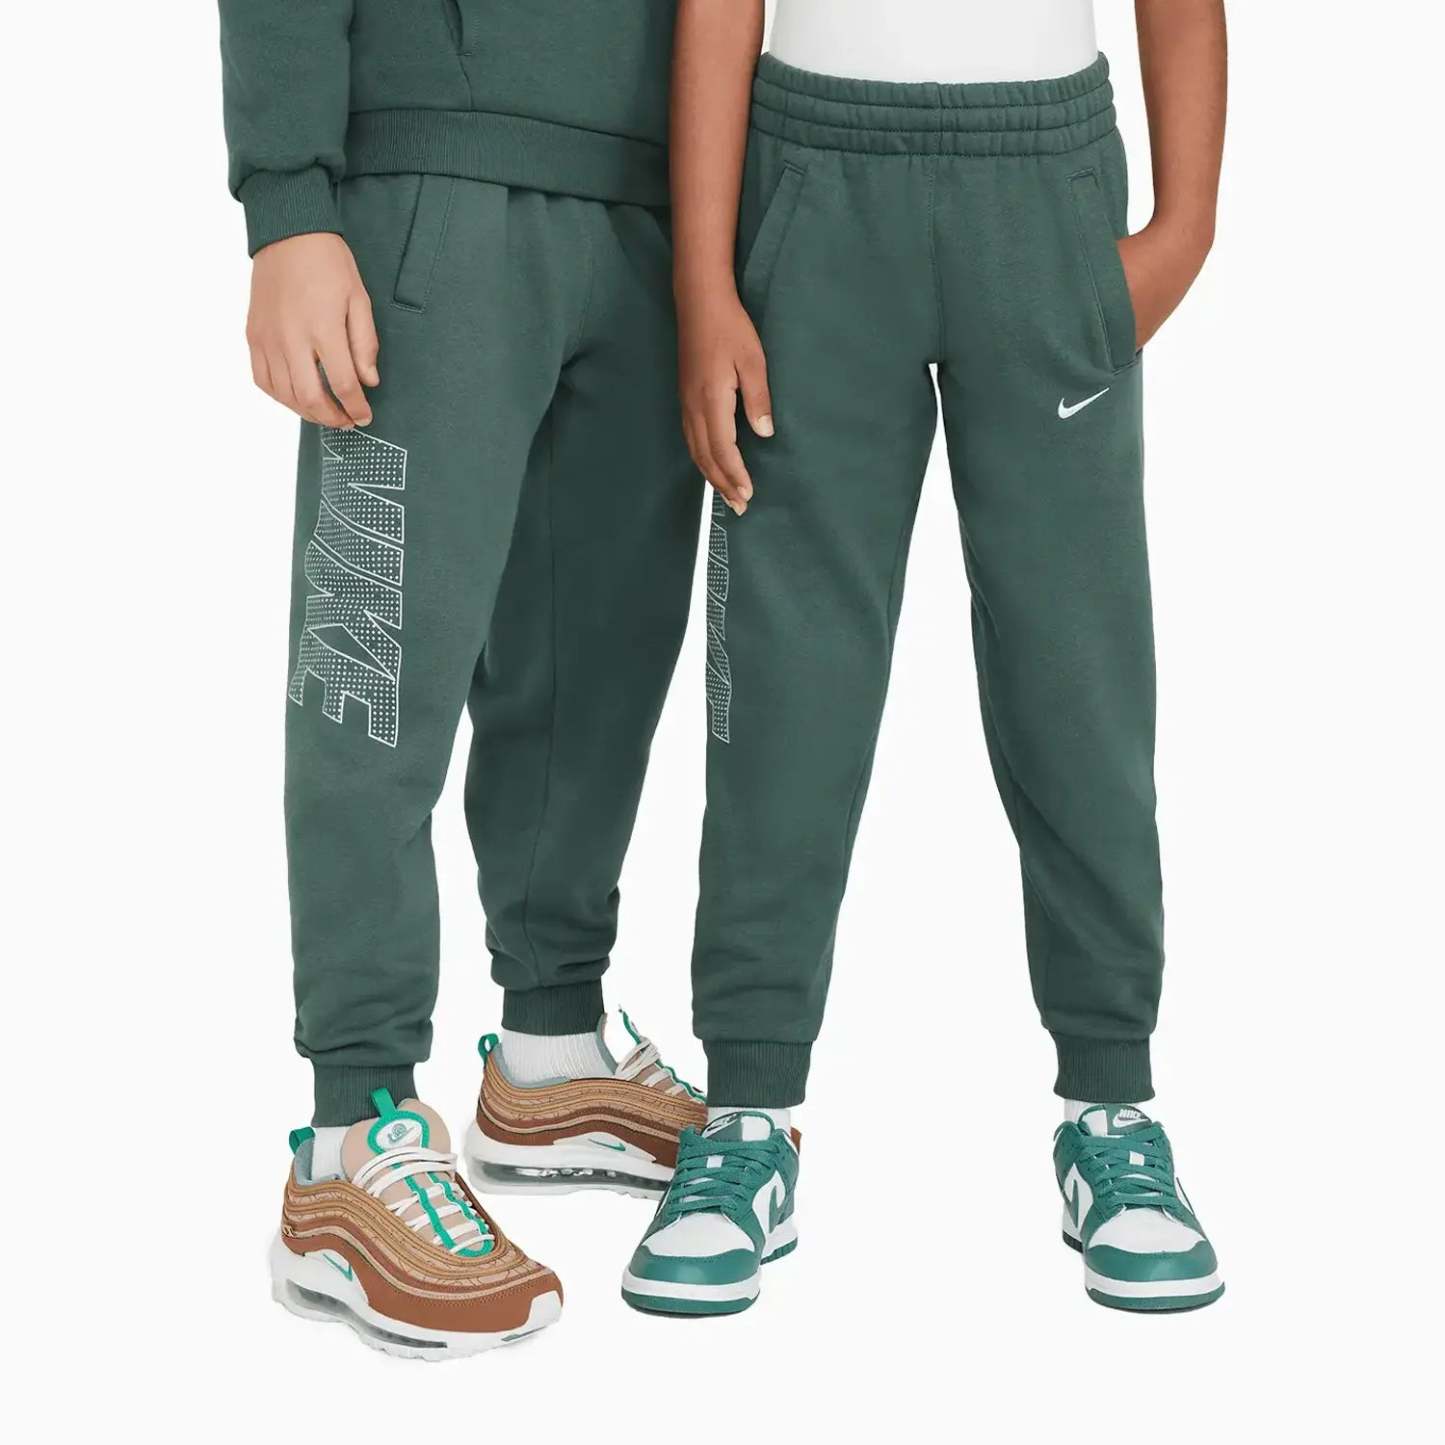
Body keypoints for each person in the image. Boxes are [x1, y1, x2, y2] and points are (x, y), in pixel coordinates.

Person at [622, 0, 1228, 1316]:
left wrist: (1183, 229)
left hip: (1042, 184)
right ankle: (748, 1110)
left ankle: (1112, 1104)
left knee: (1076, 670)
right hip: (813, 177)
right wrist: (703, 281)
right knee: (785, 680)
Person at [219, 0, 708, 1356]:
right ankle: (352, 1131)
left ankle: (551, 1051)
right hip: (429, 182)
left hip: (656, 201)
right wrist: (288, 205)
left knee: (598, 666)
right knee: (375, 675)